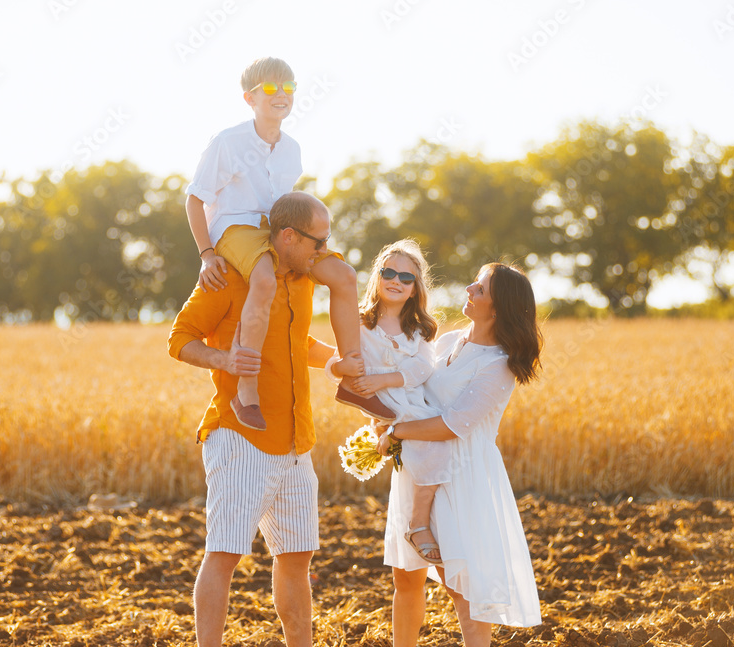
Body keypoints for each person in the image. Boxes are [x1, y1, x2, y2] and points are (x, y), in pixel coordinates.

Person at [168, 192, 341, 647]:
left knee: (297, 556)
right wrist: (223, 359)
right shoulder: (228, 275)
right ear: (288, 236)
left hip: (296, 442)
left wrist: (336, 361)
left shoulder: (301, 282)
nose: (323, 251)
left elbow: (297, 342)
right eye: (317, 242)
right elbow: (179, 338)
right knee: (224, 554)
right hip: (238, 436)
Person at [185, 56, 392, 430]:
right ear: (249, 98)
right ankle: (246, 392)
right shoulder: (227, 142)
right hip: (237, 229)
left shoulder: (292, 148)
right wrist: (206, 254)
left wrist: (311, 237)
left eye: (289, 87)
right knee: (263, 280)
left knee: (344, 275)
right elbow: (194, 199)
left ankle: (353, 377)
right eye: (270, 87)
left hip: (279, 229)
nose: (281, 94)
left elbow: (286, 206)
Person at [377, 262, 544, 646]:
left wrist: (397, 431)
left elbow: (454, 424)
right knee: (406, 575)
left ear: (498, 307)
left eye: (480, 288)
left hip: (463, 477)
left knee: (462, 588)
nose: (469, 288)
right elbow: (416, 392)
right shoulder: (449, 342)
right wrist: (385, 414)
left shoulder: (498, 364)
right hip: (420, 469)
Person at [327, 240, 448, 563]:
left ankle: (420, 520)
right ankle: (418, 525)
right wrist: (341, 368)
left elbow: (424, 367)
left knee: (437, 448)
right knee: (426, 452)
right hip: (383, 408)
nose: (396, 281)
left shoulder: (418, 329)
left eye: (406, 278)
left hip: (411, 404)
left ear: (414, 289)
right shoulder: (358, 323)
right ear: (377, 277)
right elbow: (334, 361)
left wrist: (384, 379)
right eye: (389, 272)